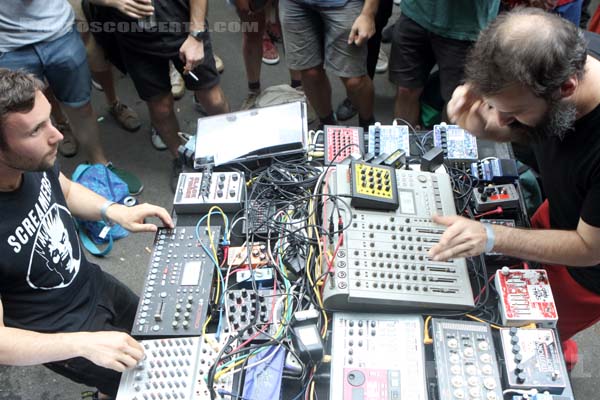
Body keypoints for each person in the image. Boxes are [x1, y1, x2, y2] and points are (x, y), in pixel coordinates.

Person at [428, 7, 600, 370]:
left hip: (585, 273)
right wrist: (481, 126)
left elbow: (588, 248)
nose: (502, 120)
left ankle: (559, 356)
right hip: (563, 210)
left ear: (567, 87)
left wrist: (492, 236)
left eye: (514, 111)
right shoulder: (566, 60)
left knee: (536, 335)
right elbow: (527, 127)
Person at [0, 68, 174, 400]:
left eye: (51, 120)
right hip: (61, 332)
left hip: (94, 284)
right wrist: (84, 344)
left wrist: (115, 211)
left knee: (160, 339)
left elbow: (62, 189)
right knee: (143, 383)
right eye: (37, 130)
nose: (58, 136)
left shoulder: (33, 160)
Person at [0, 0, 143, 195]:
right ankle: (50, 184)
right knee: (27, 119)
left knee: (81, 106)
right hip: (7, 45)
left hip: (59, 33)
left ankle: (100, 166)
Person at [86, 0, 230, 190]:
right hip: (134, 38)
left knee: (213, 98)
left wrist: (196, 34)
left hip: (181, 24)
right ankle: (181, 158)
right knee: (160, 108)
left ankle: (229, 149)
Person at [389, 0, 500, 127]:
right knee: (406, 88)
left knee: (458, 100)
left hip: (466, 27)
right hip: (416, 13)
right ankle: (404, 143)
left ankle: (446, 145)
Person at [279, 0, 378, 131]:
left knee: (354, 80)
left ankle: (368, 127)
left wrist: (368, 13)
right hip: (294, 4)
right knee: (309, 72)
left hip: (345, 3)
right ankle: (327, 125)